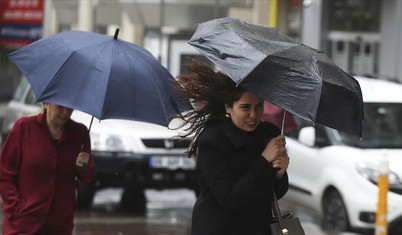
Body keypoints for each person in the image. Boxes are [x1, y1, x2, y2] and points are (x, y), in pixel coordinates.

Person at [173, 60, 290, 235]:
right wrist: (265, 160)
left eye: (259, 106)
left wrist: (280, 175)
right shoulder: (212, 140)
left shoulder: (267, 135)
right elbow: (230, 200)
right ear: (228, 107)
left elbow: (270, 194)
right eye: (245, 107)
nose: (253, 115)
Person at [0, 103, 95, 235]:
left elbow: (87, 176)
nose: (65, 113)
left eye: (70, 108)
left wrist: (86, 164)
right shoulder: (24, 128)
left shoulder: (80, 133)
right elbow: (5, 174)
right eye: (60, 107)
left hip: (60, 224)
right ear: (46, 103)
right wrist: (16, 208)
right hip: (23, 224)